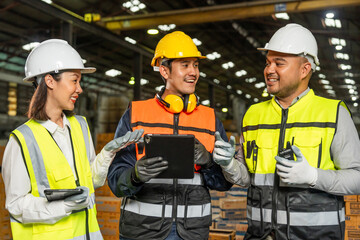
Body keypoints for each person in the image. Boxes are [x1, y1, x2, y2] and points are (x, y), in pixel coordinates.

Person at [213, 23, 360, 239]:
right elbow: (246, 177)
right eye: (268, 62)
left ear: (304, 69)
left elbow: (356, 177)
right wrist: (229, 165)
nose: (269, 70)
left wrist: (313, 176)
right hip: (260, 235)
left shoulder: (333, 113)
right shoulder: (254, 114)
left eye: (279, 63)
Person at [1, 39, 143, 240]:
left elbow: (90, 181)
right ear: (50, 81)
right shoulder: (22, 140)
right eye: (74, 80)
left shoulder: (80, 126)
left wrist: (108, 153)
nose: (80, 89)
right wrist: (63, 206)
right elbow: (16, 205)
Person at [107, 31, 233, 240]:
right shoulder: (136, 114)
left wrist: (209, 163)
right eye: (185, 65)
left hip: (191, 233)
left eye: (196, 65)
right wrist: (134, 175)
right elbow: (114, 181)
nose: (194, 72)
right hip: (142, 232)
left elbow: (223, 183)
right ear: (165, 71)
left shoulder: (210, 119)